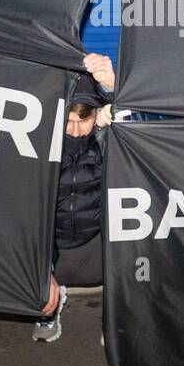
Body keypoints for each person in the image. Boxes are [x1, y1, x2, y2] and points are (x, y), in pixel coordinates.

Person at [33, 55, 117, 343]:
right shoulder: (34, 139)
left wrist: (113, 94)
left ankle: (121, 314)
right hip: (49, 247)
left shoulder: (104, 137)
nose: (77, 130)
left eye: (86, 120)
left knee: (147, 248)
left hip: (94, 244)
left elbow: (147, 136)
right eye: (69, 121)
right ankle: (47, 305)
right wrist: (38, 269)